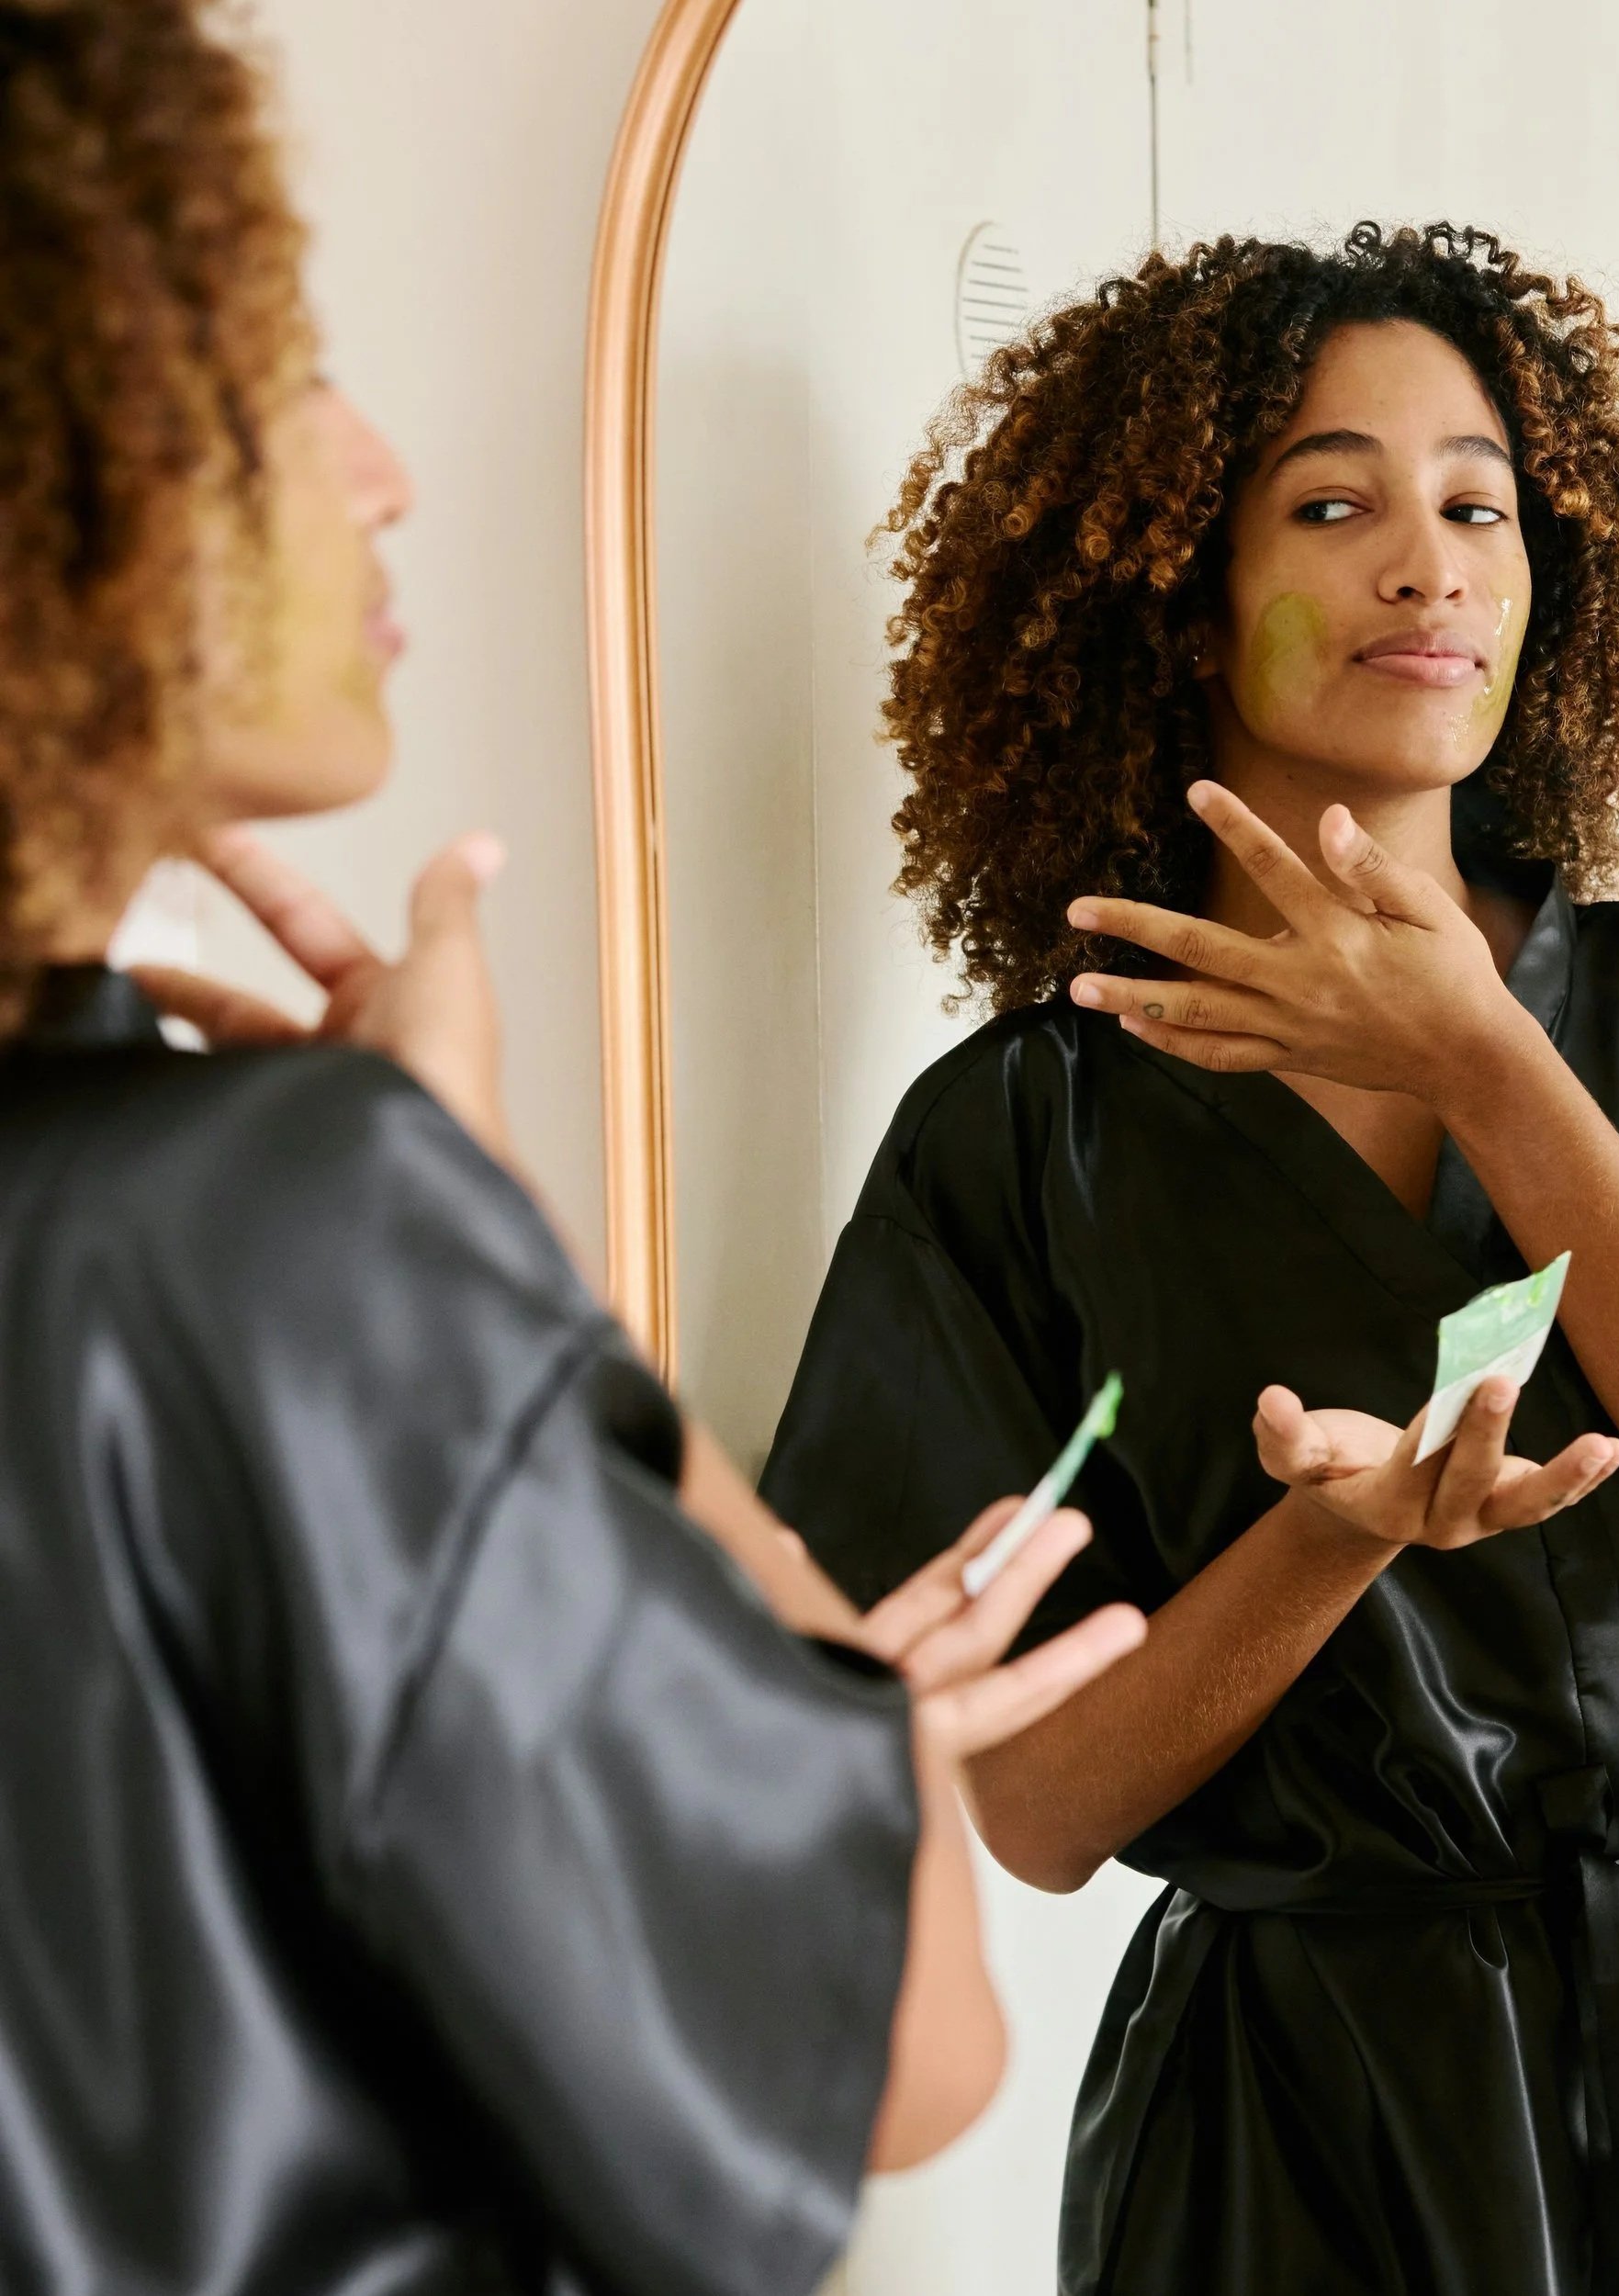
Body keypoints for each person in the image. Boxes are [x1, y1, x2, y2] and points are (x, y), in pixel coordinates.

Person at [0, 7, 1143, 2293]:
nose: (381, 464)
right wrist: (485, 1247)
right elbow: (903, 2043)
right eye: (274, 360)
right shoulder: (292, 1225)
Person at [765, 225, 1619, 2296]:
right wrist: (1330, 1537)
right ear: (1172, 594)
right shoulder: (1024, 1137)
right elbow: (1038, 1806)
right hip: (1285, 2145)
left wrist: (1488, 1070)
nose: (1424, 568)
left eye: (1474, 508)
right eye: (1329, 505)